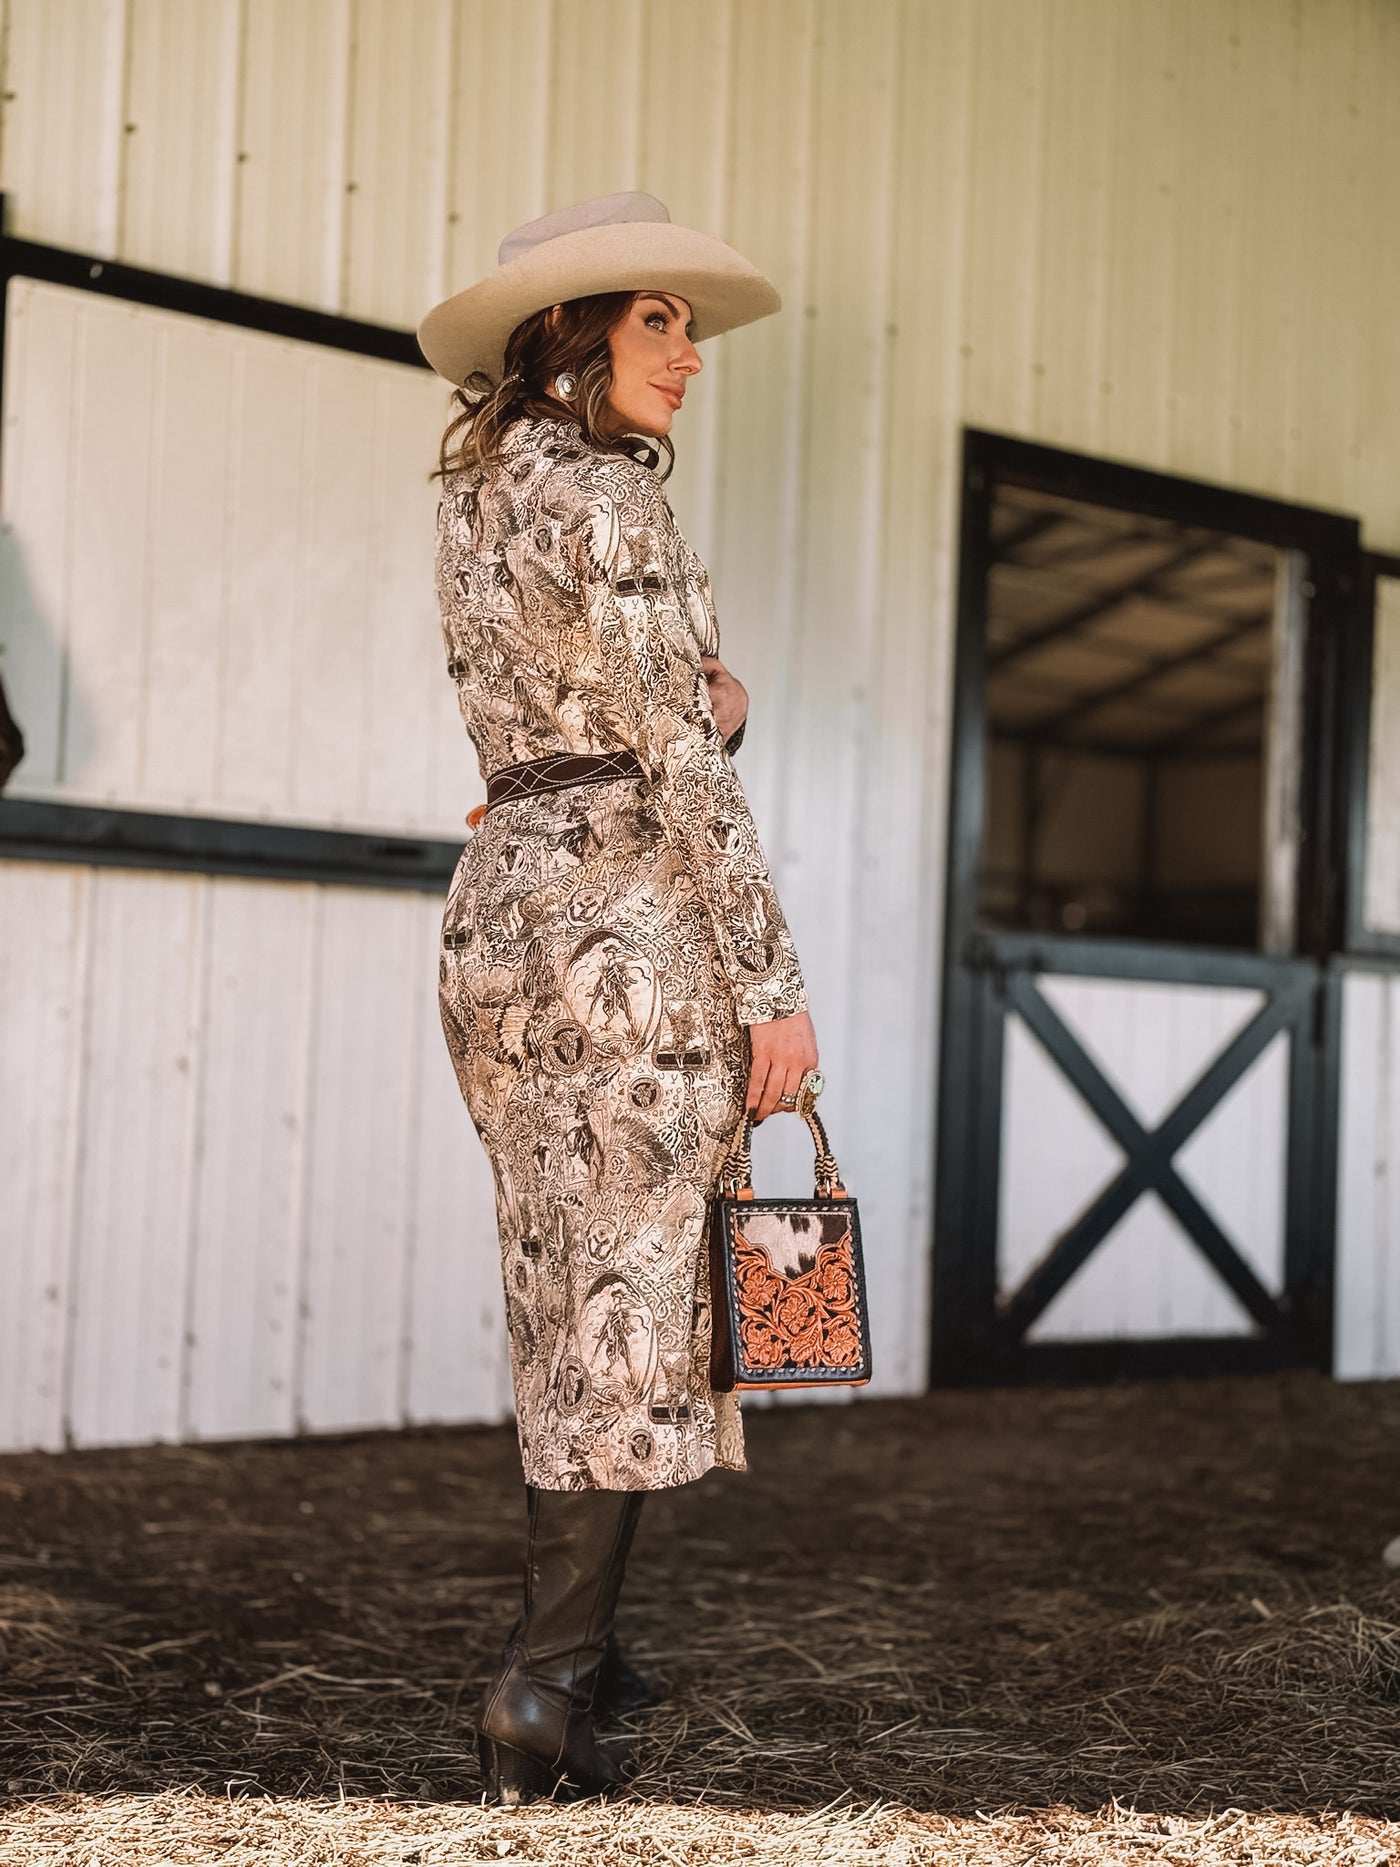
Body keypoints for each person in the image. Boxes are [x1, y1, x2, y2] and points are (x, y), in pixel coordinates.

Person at [418, 192, 818, 1805]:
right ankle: (549, 1684)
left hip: (501, 908)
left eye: (690, 329)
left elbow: (557, 711)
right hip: (627, 929)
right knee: (636, 1297)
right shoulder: (617, 498)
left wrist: (700, 706)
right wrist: (774, 986)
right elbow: (678, 762)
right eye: (659, 321)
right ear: (569, 331)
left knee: (561, 1281)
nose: (689, 356)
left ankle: (580, 1645)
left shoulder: (474, 497)